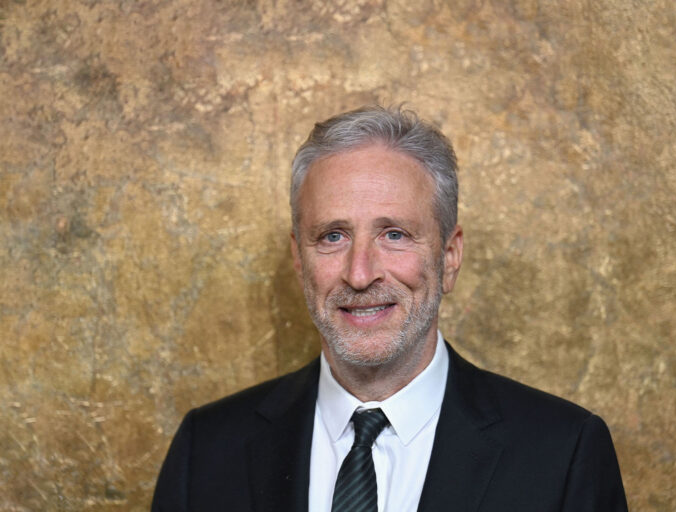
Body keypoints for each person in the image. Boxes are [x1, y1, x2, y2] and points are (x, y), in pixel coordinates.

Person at [152, 106, 628, 511]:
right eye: (332, 236)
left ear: (449, 256)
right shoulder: (206, 450)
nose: (360, 274)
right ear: (299, 259)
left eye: (394, 234)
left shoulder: (563, 453)